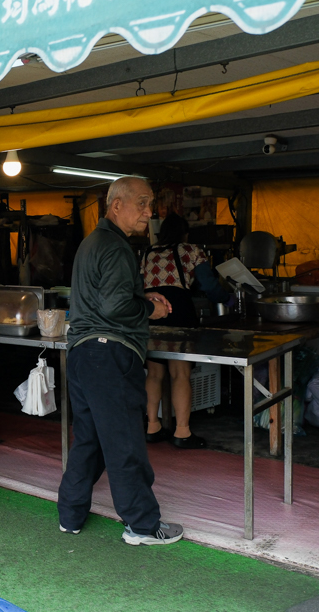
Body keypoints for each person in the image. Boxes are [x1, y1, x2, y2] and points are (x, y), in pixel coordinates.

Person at [58, 176, 185, 546]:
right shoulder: (115, 247)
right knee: (125, 442)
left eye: (151, 204)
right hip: (109, 355)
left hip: (83, 352)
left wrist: (142, 296)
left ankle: (70, 515)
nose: (150, 212)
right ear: (117, 206)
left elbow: (105, 298)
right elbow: (116, 306)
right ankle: (143, 526)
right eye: (142, 203)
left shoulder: (93, 243)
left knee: (91, 440)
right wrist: (151, 309)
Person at [142, 212, 234, 449]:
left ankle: (152, 426)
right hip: (179, 310)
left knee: (153, 374)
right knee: (180, 374)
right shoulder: (192, 250)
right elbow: (209, 285)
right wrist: (227, 299)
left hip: (151, 310)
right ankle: (182, 432)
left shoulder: (148, 252)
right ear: (184, 233)